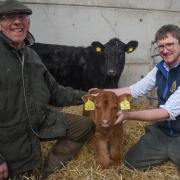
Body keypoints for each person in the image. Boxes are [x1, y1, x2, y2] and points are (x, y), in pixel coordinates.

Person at [0, 0, 95, 179]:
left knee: (85, 125)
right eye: (9, 17)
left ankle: (48, 171)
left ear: (29, 23)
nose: (17, 22)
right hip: (9, 133)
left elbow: (55, 91)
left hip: (40, 120)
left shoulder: (31, 55)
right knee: (20, 172)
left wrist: (88, 97)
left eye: (22, 17)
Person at [105, 24, 180, 171]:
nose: (165, 50)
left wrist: (128, 115)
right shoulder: (160, 69)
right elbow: (135, 90)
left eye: (170, 44)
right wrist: (102, 91)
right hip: (162, 132)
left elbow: (166, 112)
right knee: (130, 163)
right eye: (161, 46)